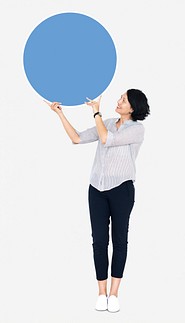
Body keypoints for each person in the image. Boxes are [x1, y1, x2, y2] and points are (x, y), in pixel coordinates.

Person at [45, 89, 150, 312]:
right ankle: (101, 293)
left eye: (124, 100)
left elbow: (106, 139)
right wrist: (60, 114)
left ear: (133, 108)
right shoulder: (109, 122)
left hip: (122, 189)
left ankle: (114, 294)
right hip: (97, 189)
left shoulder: (137, 130)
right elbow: (77, 138)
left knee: (119, 240)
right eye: (120, 97)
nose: (119, 101)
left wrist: (96, 111)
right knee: (99, 241)